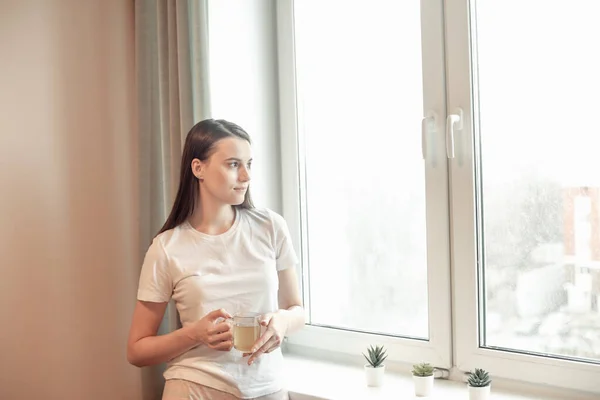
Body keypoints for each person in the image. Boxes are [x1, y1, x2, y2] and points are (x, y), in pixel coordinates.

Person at [127, 119, 305, 400]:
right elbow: (137, 350)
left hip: (267, 388)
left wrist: (282, 322)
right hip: (195, 388)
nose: (246, 176)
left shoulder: (271, 227)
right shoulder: (166, 247)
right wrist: (195, 334)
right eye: (234, 164)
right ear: (198, 168)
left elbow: (297, 310)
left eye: (249, 164)